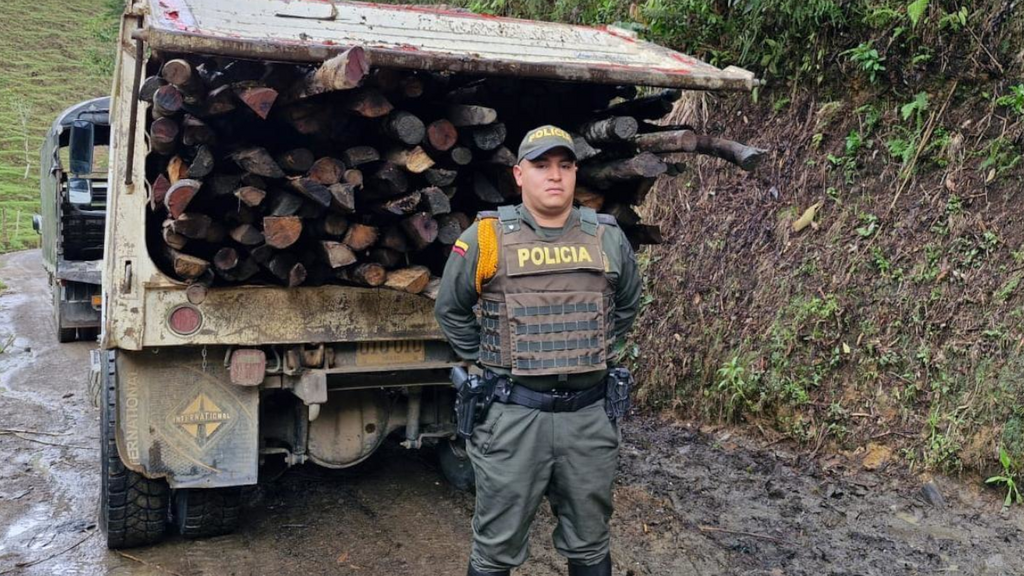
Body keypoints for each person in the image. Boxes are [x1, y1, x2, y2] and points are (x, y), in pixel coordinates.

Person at [434, 125, 642, 576]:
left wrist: (600, 351)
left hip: (588, 417)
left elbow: (626, 305)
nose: (555, 176)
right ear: (519, 175)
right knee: (496, 547)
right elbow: (451, 309)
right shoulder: (486, 238)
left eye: (565, 166)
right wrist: (491, 359)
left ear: (574, 174)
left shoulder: (606, 236)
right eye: (542, 166)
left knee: (589, 544)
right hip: (513, 416)